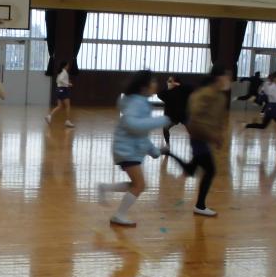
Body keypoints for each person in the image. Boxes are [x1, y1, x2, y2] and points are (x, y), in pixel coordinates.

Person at [97, 70, 170, 227]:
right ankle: (119, 215)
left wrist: (156, 151)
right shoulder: (137, 103)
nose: (156, 84)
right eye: (153, 81)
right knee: (139, 185)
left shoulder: (139, 102)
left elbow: (141, 134)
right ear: (144, 86)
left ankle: (105, 188)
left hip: (128, 149)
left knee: (137, 184)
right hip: (126, 150)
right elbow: (132, 125)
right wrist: (160, 121)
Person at [161, 65, 230, 217]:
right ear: (218, 77)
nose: (228, 80)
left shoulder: (219, 96)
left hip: (205, 137)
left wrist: (218, 134)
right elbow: (195, 119)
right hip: (199, 137)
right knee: (210, 170)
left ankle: (168, 153)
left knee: (191, 169)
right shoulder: (204, 94)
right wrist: (211, 136)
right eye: (226, 76)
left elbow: (217, 118)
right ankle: (200, 206)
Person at [244, 71, 276, 149]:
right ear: (274, 79)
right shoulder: (274, 87)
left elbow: (267, 93)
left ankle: (247, 125)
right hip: (274, 108)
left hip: (271, 107)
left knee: (263, 126)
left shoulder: (275, 86)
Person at [156, 75, 193, 146]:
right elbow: (159, 94)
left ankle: (196, 144)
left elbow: (191, 89)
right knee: (165, 128)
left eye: (170, 81)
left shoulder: (183, 90)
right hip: (172, 117)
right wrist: (169, 88)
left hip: (183, 116)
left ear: (176, 82)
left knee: (193, 131)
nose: (168, 82)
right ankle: (168, 145)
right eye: (168, 81)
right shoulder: (167, 92)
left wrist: (179, 85)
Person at [45, 61, 74, 128]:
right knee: (68, 106)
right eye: (67, 65)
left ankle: (49, 116)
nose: (68, 67)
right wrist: (68, 84)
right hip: (63, 90)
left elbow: (57, 81)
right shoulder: (64, 72)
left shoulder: (60, 72)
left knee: (59, 106)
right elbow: (60, 80)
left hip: (59, 89)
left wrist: (66, 83)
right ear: (65, 66)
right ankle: (67, 121)